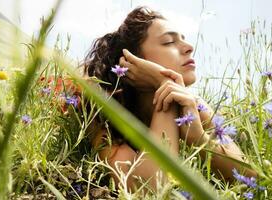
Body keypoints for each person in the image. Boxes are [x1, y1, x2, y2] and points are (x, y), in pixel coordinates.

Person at [84, 6, 256, 191]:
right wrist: (164, 82)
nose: (189, 47)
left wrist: (199, 139)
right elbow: (150, 189)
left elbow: (253, 183)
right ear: (132, 61)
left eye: (183, 39)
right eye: (168, 42)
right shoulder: (105, 120)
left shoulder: (193, 105)